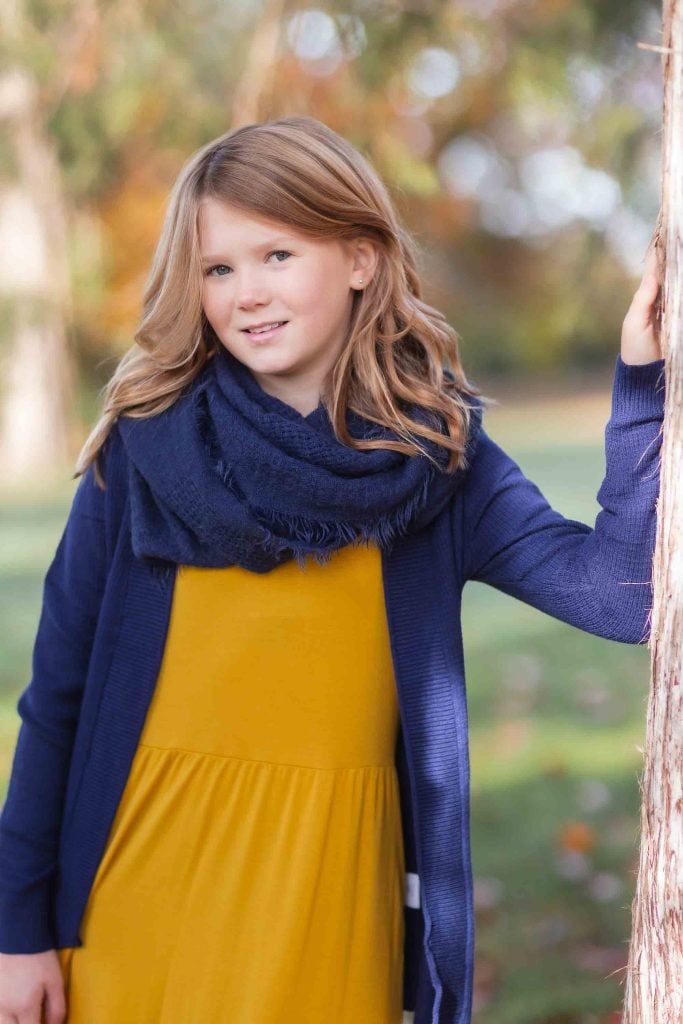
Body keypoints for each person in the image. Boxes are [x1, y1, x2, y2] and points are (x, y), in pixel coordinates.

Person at [0, 115, 665, 1024]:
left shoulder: (437, 461)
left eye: (276, 255)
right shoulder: (144, 451)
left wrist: (642, 386)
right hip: (134, 899)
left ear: (359, 259)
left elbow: (621, 597)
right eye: (217, 269)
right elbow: (57, 704)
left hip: (327, 900)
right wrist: (16, 931)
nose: (245, 294)